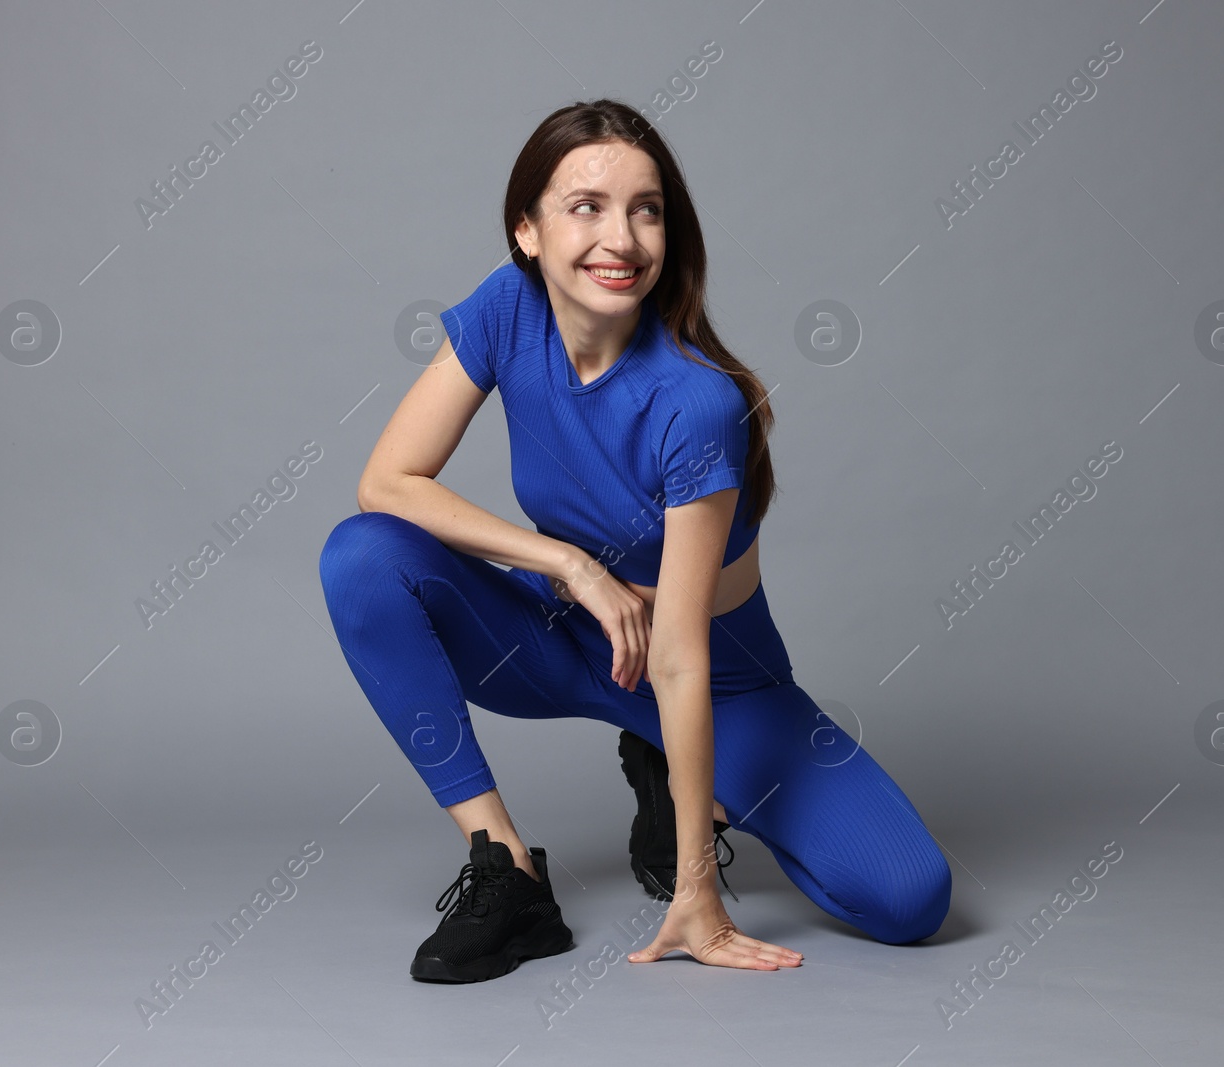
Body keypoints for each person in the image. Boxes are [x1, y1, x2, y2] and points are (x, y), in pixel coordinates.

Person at [318, 99, 951, 984]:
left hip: (716, 678)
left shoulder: (697, 404)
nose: (621, 238)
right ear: (528, 230)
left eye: (646, 209)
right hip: (574, 638)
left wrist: (698, 891)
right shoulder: (507, 308)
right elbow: (386, 482)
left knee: (911, 896)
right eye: (587, 206)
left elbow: (684, 657)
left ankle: (682, 787)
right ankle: (507, 870)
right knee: (362, 555)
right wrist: (569, 565)